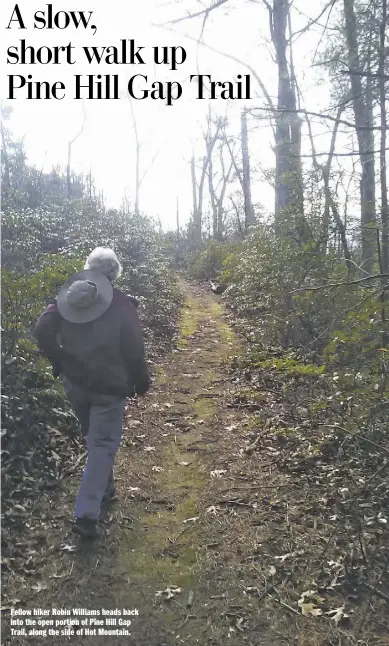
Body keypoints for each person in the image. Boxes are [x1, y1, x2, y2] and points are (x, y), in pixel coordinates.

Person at [34, 247, 150, 539]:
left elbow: (42, 328)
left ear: (89, 269)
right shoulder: (121, 303)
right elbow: (134, 348)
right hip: (108, 387)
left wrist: (60, 360)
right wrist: (141, 381)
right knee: (102, 443)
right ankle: (86, 514)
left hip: (76, 384)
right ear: (114, 274)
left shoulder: (67, 297)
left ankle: (106, 488)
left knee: (95, 439)